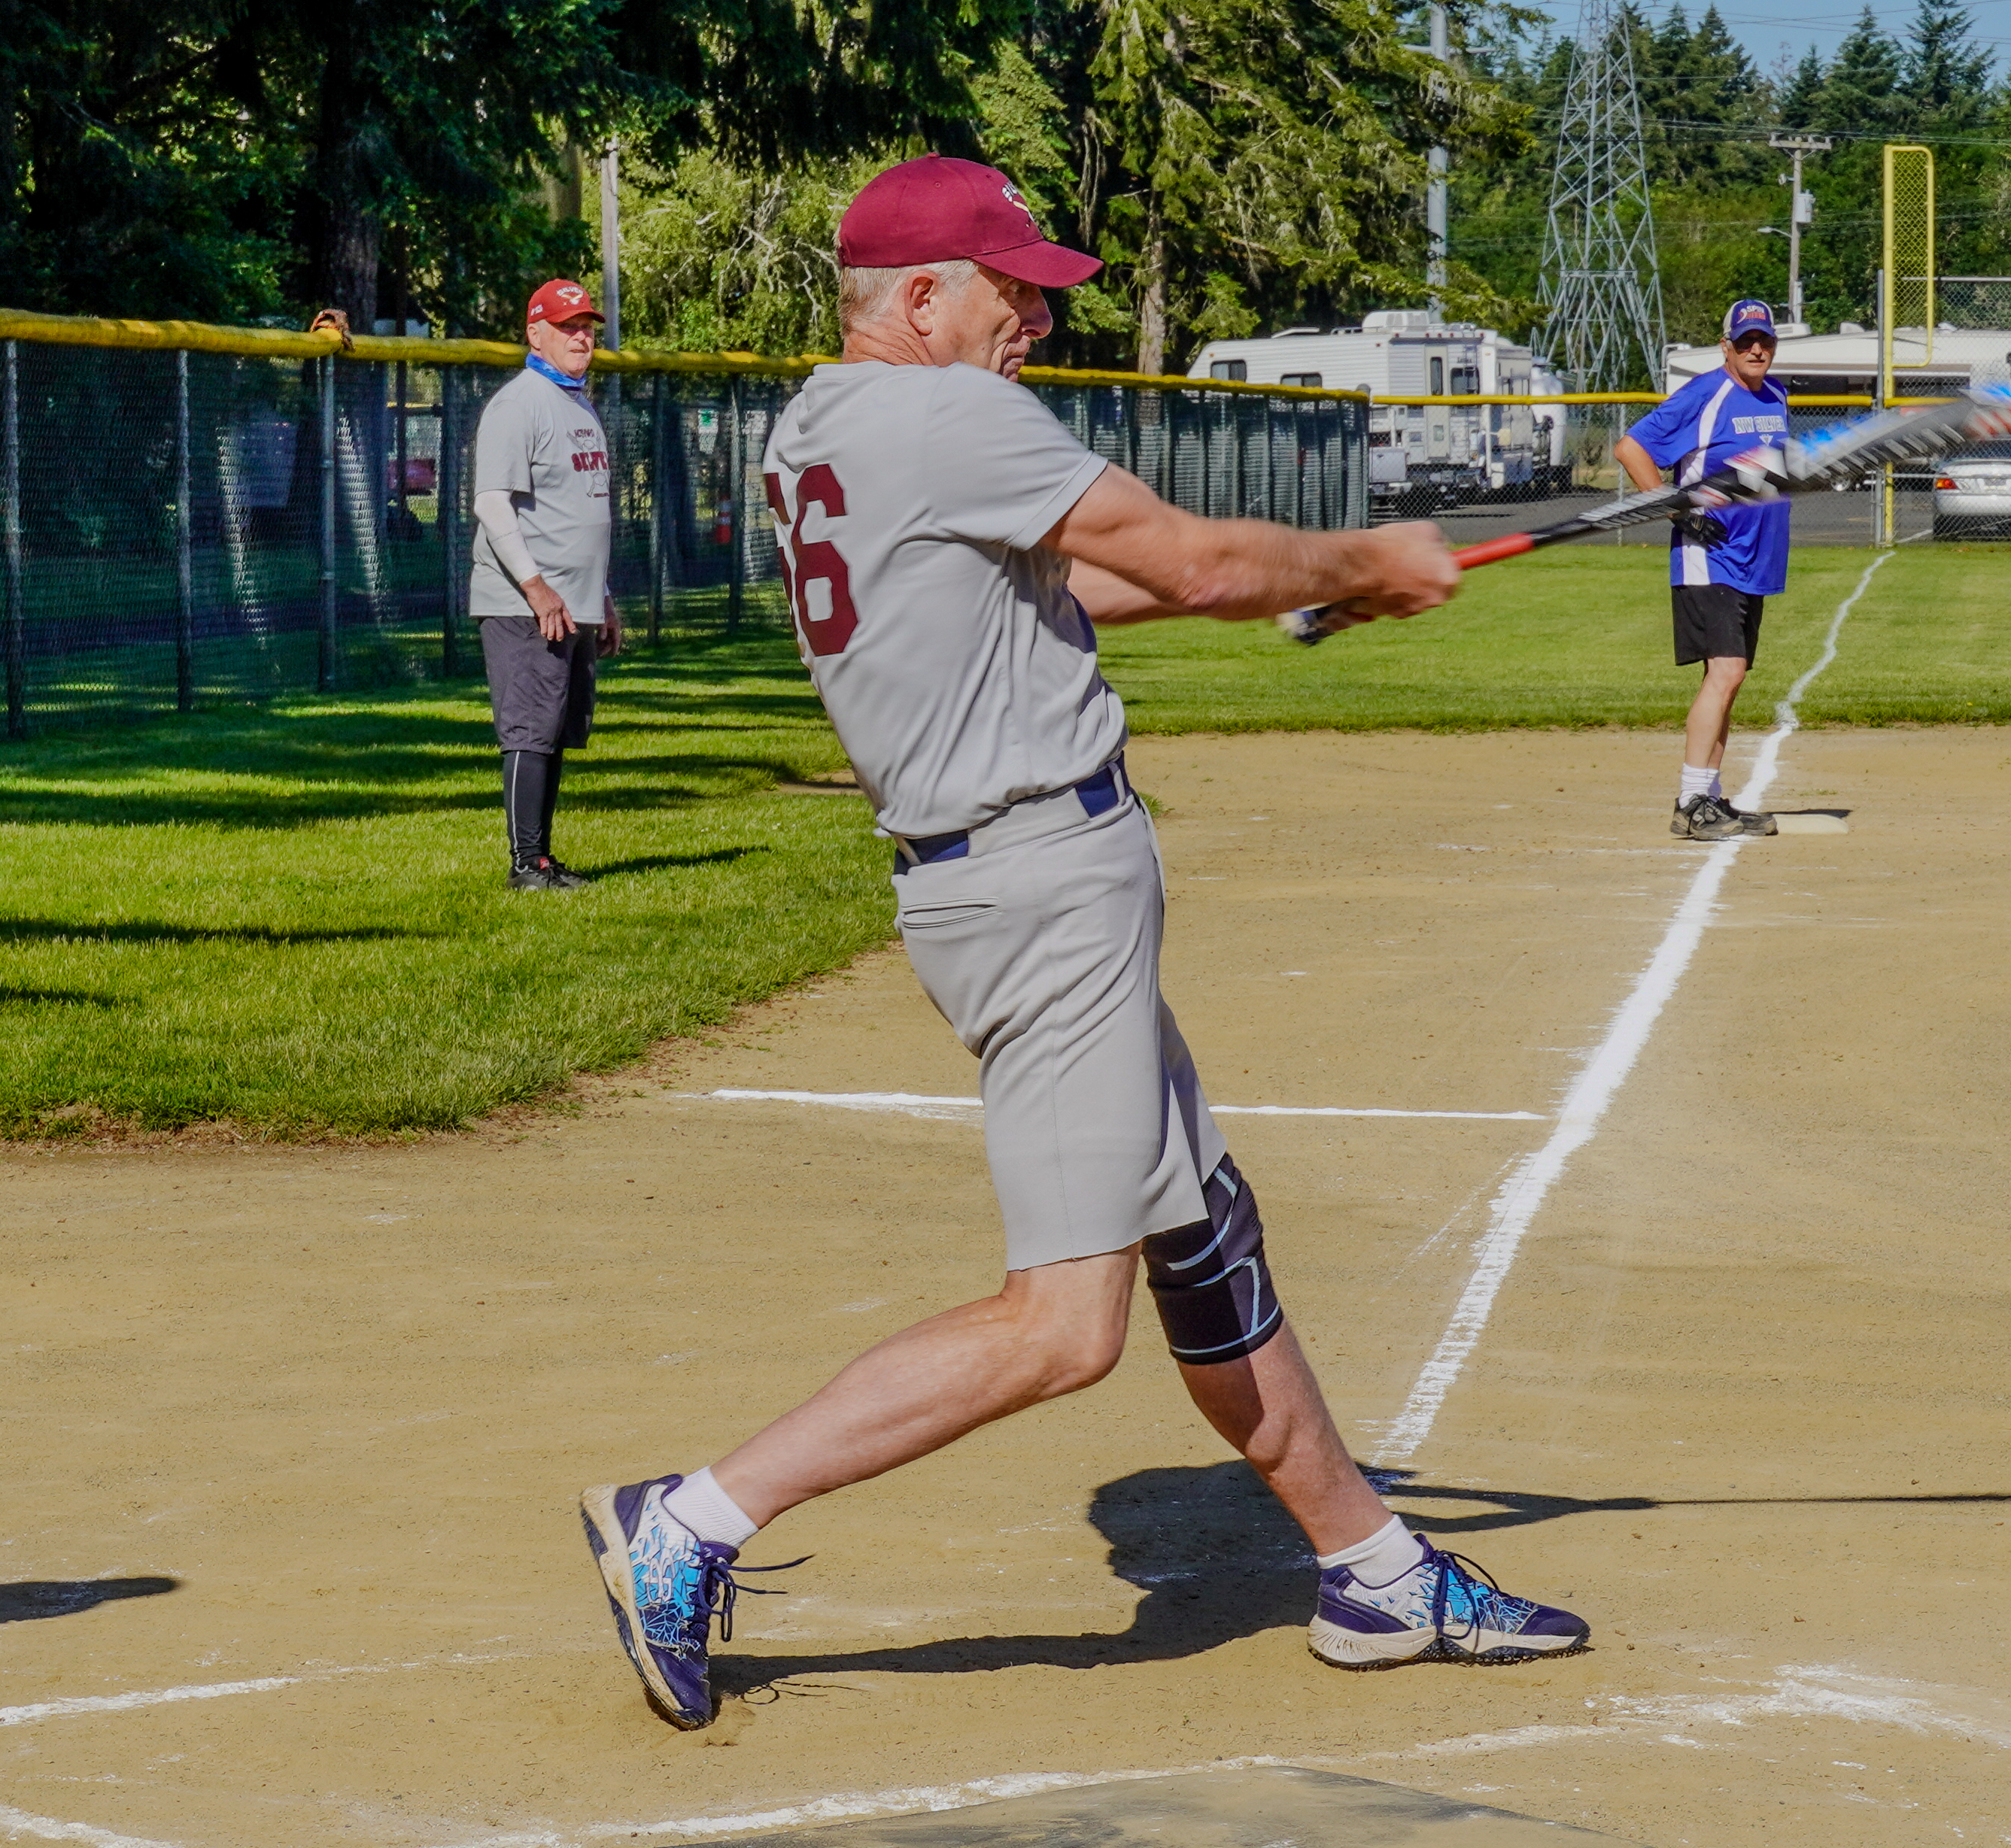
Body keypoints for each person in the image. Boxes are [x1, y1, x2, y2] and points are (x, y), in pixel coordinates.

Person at [577, 156, 1590, 1732]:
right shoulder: (950, 415)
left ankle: (1373, 1568)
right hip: (1039, 882)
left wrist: (1297, 593)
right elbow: (1187, 555)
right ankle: (694, 1518)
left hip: (1006, 876)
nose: (1038, 318)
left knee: (1201, 1232)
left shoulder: (826, 424)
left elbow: (1081, 589)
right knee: (1066, 1326)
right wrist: (1356, 560)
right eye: (1013, 289)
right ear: (919, 297)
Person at [1615, 299, 1793, 841]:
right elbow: (1630, 447)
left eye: (1763, 340)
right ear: (1726, 347)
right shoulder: (1705, 394)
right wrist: (1675, 509)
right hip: (1708, 556)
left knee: (1728, 680)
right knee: (1727, 671)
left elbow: (1763, 473)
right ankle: (1692, 801)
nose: (1756, 349)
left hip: (1752, 558)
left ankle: (1711, 797)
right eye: (1745, 341)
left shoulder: (1777, 395)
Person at [470, 278, 619, 891]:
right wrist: (535, 587)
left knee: (555, 728)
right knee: (530, 729)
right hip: (526, 601)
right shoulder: (519, 402)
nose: (581, 336)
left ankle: (541, 857)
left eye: (586, 326)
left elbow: (582, 508)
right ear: (535, 334)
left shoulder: (576, 401)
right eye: (567, 326)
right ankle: (523, 862)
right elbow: (491, 502)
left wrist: (601, 595)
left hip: (571, 601)